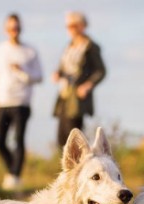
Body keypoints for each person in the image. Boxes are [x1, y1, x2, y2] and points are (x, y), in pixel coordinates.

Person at [0, 13, 43, 191]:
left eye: (16, 27)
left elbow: (39, 77)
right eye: (10, 28)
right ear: (5, 30)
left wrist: (22, 72)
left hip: (21, 103)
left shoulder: (30, 51)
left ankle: (15, 177)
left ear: (21, 28)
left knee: (19, 139)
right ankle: (12, 171)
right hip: (1, 102)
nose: (14, 31)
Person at [52, 11, 106, 148]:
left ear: (81, 26)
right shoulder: (69, 46)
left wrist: (88, 85)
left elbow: (101, 71)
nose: (69, 29)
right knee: (61, 136)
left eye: (72, 26)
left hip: (77, 97)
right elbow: (63, 67)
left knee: (74, 134)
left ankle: (81, 165)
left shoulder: (90, 47)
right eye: (68, 26)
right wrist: (58, 73)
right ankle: (68, 167)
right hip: (64, 93)